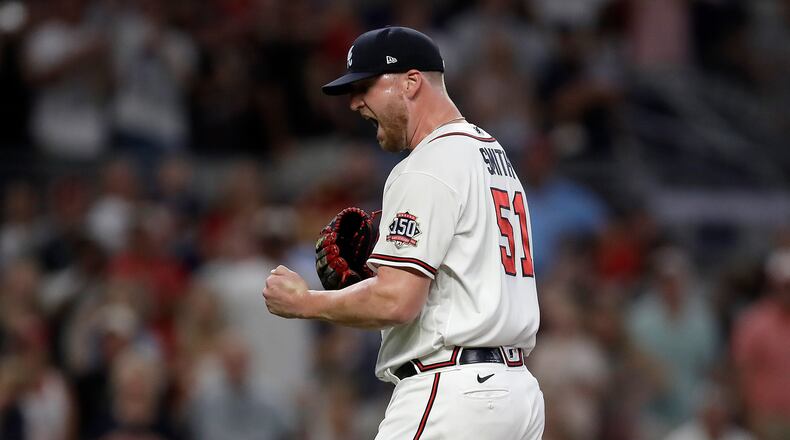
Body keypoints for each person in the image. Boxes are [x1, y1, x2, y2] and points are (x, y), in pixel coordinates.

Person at [262, 26, 544, 439]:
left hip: (453, 392)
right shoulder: (491, 153)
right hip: (515, 395)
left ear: (411, 82)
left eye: (366, 86)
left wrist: (306, 302)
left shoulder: (429, 162)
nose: (356, 102)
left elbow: (397, 301)